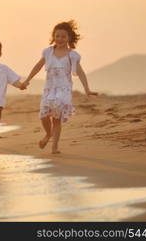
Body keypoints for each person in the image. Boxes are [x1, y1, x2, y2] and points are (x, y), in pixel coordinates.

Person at [21, 20, 98, 154]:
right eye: (57, 36)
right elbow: (38, 66)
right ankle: (48, 134)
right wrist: (28, 80)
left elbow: (80, 72)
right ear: (53, 37)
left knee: (56, 119)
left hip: (63, 90)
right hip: (49, 89)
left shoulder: (72, 55)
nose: (60, 39)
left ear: (69, 38)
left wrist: (87, 89)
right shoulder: (48, 52)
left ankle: (54, 146)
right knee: (43, 116)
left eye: (63, 36)